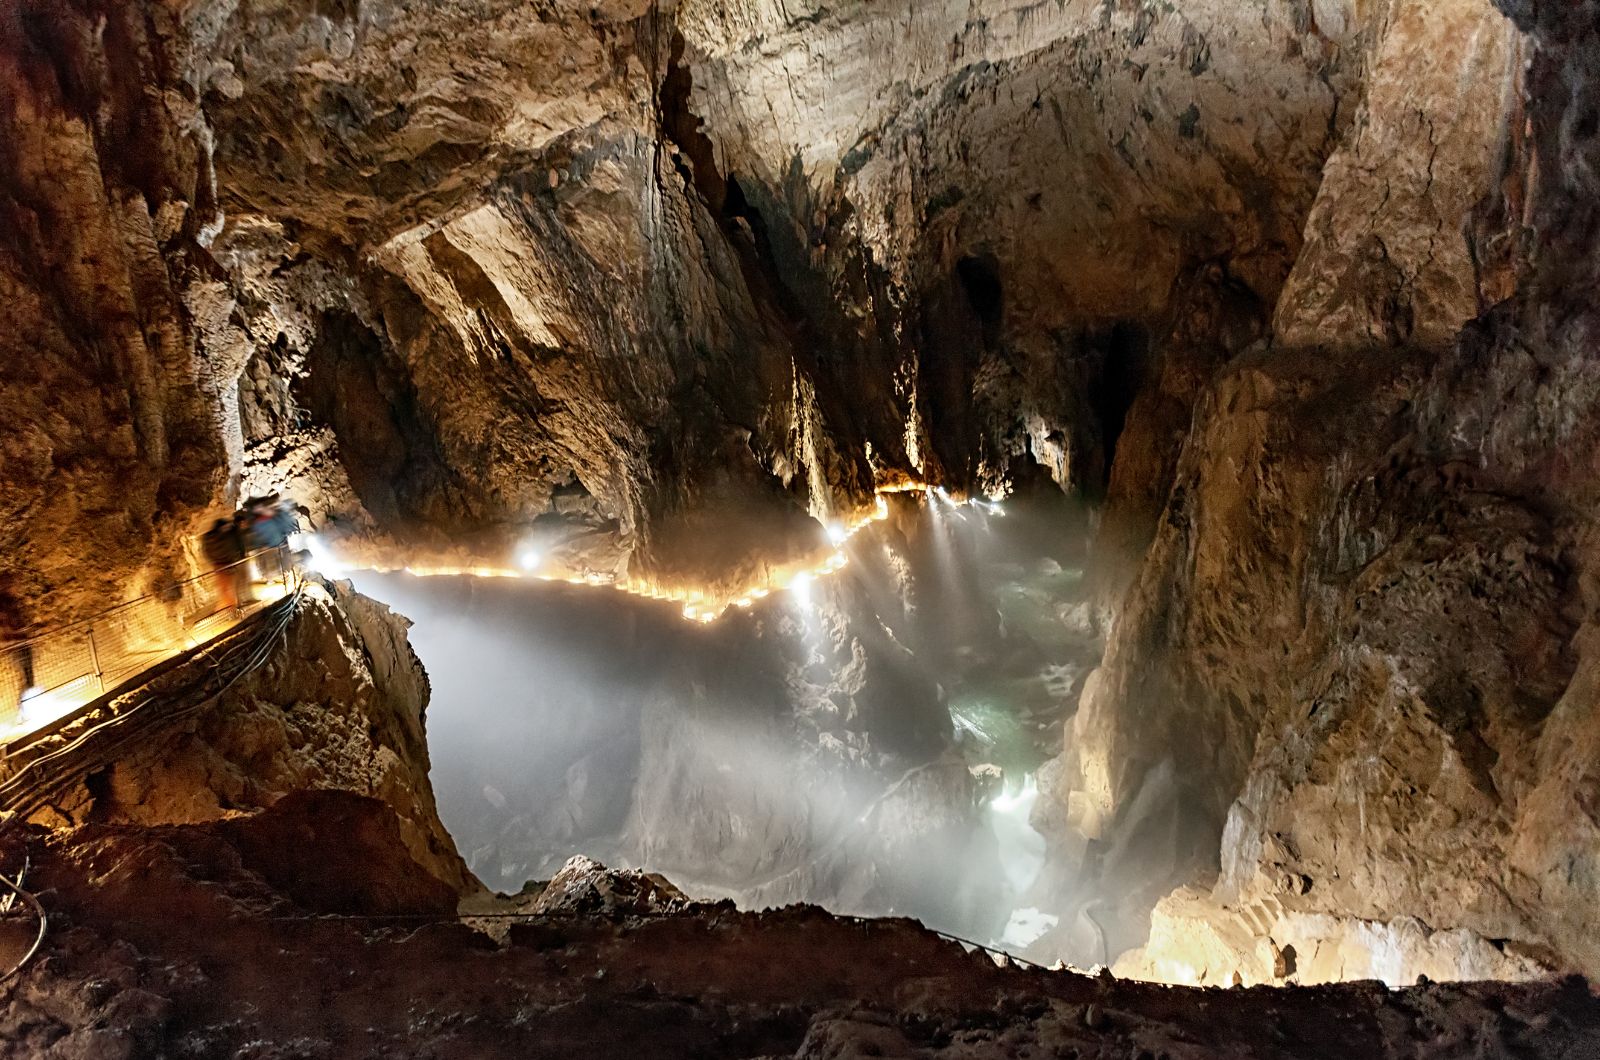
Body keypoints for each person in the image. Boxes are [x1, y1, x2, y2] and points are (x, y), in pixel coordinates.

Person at [201, 516, 247, 609]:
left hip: (221, 564)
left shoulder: (209, 537)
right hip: (226, 563)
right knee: (228, 586)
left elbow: (206, 551)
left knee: (226, 587)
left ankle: (232, 605)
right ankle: (231, 606)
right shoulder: (226, 536)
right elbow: (234, 546)